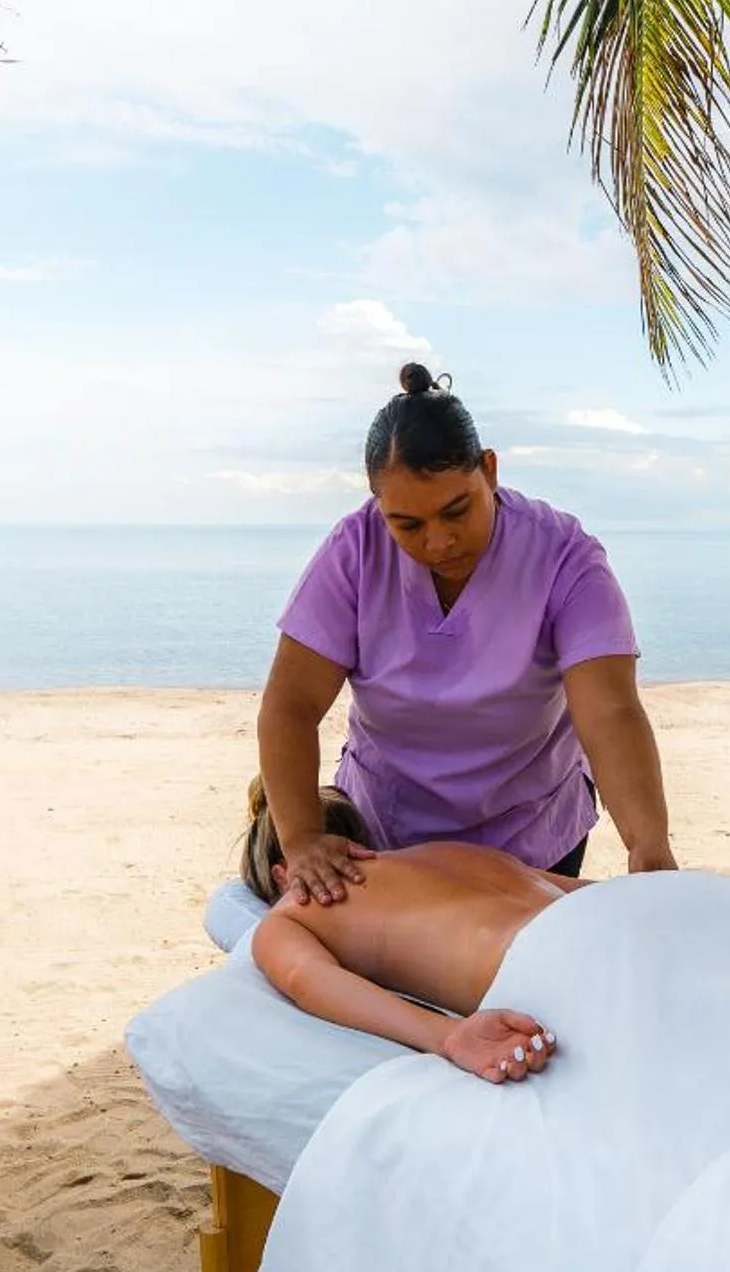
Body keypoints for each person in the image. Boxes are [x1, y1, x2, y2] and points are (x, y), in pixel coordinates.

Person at [257, 363, 676, 907]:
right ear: (376, 504)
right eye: (407, 525)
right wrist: (303, 839)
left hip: (533, 831)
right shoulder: (354, 552)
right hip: (387, 832)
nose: (439, 541)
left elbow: (610, 712)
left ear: (490, 470)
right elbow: (289, 705)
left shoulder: (564, 557)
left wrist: (648, 845)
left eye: (458, 510)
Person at [239, 779, 572, 1083]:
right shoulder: (443, 852)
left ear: (282, 876)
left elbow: (306, 978)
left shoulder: (289, 914)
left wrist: (449, 1035)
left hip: (547, 967)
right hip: (599, 919)